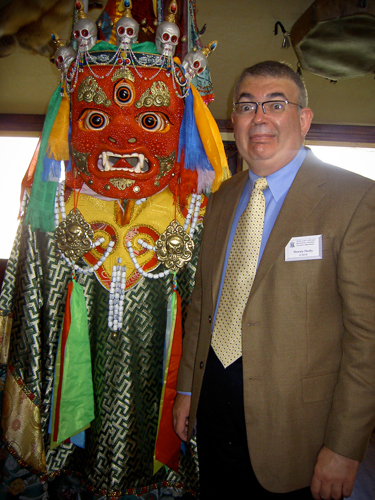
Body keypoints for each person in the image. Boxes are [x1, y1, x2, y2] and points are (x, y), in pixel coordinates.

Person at [173, 60, 375, 500]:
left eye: (275, 104)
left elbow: (369, 338)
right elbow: (204, 302)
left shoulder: (356, 199)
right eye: (247, 106)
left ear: (304, 119)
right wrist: (188, 388)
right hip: (214, 409)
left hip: (298, 432)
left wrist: (344, 446)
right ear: (235, 123)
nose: (259, 117)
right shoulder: (223, 197)